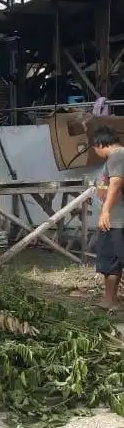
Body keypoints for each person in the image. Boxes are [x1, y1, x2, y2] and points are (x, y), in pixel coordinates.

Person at [91, 125, 124, 308]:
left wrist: (105, 211)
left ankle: (111, 300)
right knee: (111, 263)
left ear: (100, 144)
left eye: (95, 148)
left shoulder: (117, 155)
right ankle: (110, 300)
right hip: (114, 220)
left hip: (116, 220)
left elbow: (116, 183)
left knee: (112, 261)